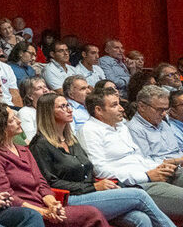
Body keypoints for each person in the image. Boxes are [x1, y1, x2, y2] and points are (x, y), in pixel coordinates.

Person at [29, 93, 175, 227]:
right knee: (139, 195)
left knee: (141, 218)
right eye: (62, 106)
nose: (70, 110)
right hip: (70, 198)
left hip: (91, 192)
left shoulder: (71, 140)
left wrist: (103, 185)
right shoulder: (40, 145)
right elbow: (50, 183)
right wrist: (94, 187)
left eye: (68, 105)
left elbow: (87, 170)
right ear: (48, 112)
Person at [0, 103, 107, 227]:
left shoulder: (23, 150)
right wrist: (43, 212)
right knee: (92, 214)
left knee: (91, 213)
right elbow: (5, 195)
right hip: (23, 213)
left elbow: (41, 183)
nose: (19, 121)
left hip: (43, 206)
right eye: (12, 120)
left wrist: (52, 204)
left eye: (16, 117)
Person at [78, 86, 183, 220]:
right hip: (135, 185)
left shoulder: (121, 126)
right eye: (115, 105)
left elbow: (138, 157)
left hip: (150, 172)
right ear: (99, 110)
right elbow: (100, 170)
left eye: (119, 104)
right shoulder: (89, 130)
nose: (122, 108)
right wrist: (146, 176)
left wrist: (158, 167)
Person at [127, 85, 183, 164]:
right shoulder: (134, 129)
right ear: (142, 107)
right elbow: (146, 162)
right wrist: (176, 161)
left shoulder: (163, 123)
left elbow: (177, 151)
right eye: (160, 109)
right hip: (165, 168)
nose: (164, 114)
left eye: (166, 109)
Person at [17, 77, 51, 143]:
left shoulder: (52, 109)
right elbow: (31, 140)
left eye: (45, 86)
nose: (45, 90)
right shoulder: (25, 113)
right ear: (30, 96)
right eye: (39, 88)